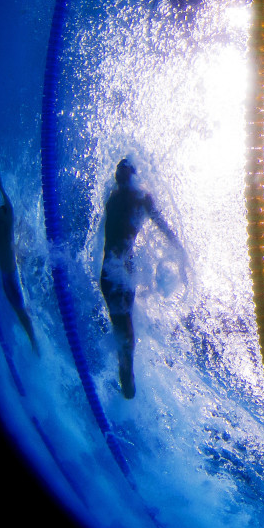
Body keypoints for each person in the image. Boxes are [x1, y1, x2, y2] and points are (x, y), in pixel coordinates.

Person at [101, 158, 179, 399]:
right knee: (125, 334)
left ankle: (126, 385)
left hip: (121, 273)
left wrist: (180, 251)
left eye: (124, 168)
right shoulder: (115, 197)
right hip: (112, 273)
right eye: (118, 168)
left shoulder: (139, 197)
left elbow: (162, 226)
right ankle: (126, 385)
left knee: (126, 334)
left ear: (132, 175)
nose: (118, 171)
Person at [0, 173, 38, 354]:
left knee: (22, 313)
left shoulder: (7, 223)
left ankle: (35, 344)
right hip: (5, 277)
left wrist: (0, 186)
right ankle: (33, 340)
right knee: (19, 312)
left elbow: (9, 206)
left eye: (0, 212)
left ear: (5, 215)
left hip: (12, 278)